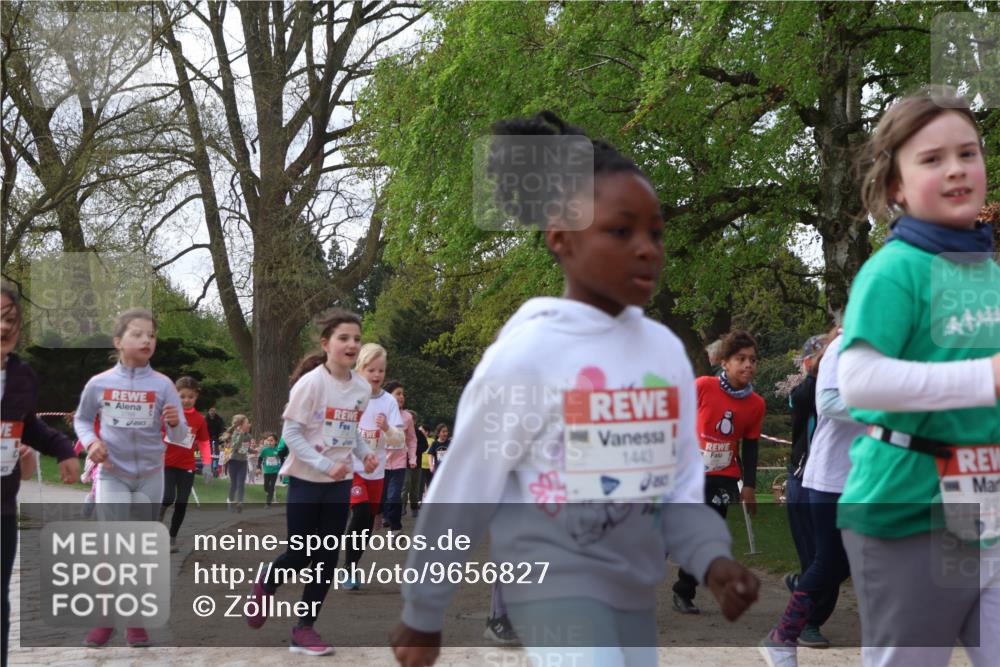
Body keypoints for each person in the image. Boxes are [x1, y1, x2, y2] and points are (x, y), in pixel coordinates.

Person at [391, 111, 759, 667]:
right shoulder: (527, 355)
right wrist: (422, 611)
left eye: (655, 234)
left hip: (633, 588)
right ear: (561, 237)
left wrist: (712, 559)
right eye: (620, 230)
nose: (646, 248)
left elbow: (677, 485)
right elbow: (462, 490)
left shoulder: (665, 356)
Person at [776, 88, 1000, 667]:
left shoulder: (987, 273)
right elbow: (859, 383)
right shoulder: (894, 269)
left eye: (968, 153)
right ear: (896, 186)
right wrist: (985, 378)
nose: (956, 168)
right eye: (931, 159)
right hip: (906, 507)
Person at [244, 308, 377, 656]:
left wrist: (364, 454)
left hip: (340, 482)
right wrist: (322, 462)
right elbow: (291, 434)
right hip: (306, 479)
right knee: (301, 551)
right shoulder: (312, 383)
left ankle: (304, 629)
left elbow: (351, 431)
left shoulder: (361, 388)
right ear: (326, 343)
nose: (351, 344)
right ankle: (267, 583)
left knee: (327, 557)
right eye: (343, 338)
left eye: (356, 339)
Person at [74, 307, 187, 648]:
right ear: (118, 341)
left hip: (151, 475)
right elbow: (81, 419)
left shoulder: (164, 385)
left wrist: (173, 422)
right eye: (137, 334)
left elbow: (182, 436)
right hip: (113, 475)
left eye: (151, 335)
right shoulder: (100, 383)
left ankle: (135, 620)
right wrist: (92, 442)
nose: (146, 340)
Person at [761, 327, 866, 662]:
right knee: (828, 561)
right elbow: (826, 401)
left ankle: (799, 597)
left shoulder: (884, 347)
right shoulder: (840, 349)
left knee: (845, 562)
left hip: (860, 478)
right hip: (824, 478)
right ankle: (789, 631)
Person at [1, 284, 80, 665]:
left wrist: (64, 450)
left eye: (11, 319)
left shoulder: (22, 376)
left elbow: (28, 425)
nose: (4, 327)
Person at [672, 330, 765, 615]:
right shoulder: (702, 386)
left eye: (752, 359)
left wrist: (748, 486)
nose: (748, 365)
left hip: (723, 476)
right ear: (725, 362)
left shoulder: (756, 404)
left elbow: (750, 447)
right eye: (741, 359)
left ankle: (683, 591)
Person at [781, 334, 834, 645]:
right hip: (803, 481)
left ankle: (803, 585)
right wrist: (819, 368)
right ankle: (809, 623)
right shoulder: (804, 392)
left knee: (835, 559)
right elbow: (805, 399)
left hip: (838, 482)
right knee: (816, 557)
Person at [343, 343, 404, 589]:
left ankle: (353, 564)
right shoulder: (350, 397)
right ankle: (348, 569)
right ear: (359, 370)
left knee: (367, 524)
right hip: (353, 469)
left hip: (377, 472)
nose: (377, 375)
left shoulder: (388, 402)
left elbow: (398, 440)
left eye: (381, 370)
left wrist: (387, 428)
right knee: (358, 514)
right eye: (371, 370)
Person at [159, 376, 212, 552]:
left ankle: (171, 538)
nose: (186, 400)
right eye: (182, 396)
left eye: (190, 397)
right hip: (166, 463)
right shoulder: (167, 413)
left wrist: (207, 465)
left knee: (182, 503)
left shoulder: (199, 419)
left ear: (196, 396)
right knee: (167, 498)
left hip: (186, 466)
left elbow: (204, 443)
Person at [382, 381, 417, 530]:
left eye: (403, 394)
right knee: (383, 496)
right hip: (381, 462)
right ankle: (385, 516)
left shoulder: (407, 417)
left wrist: (412, 457)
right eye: (398, 393)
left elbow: (411, 439)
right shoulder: (380, 415)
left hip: (399, 461)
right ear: (388, 396)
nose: (401, 396)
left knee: (394, 495)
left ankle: (395, 525)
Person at [224, 415, 251, 513]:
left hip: (243, 462)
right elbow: (235, 447)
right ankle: (230, 501)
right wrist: (240, 435)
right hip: (233, 462)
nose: (249, 424)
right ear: (240, 425)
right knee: (234, 484)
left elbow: (246, 448)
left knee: (241, 484)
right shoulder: (235, 434)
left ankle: (240, 502)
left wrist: (254, 451)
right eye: (247, 422)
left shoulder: (248, 435)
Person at [258, 432, 282, 506]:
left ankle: (268, 503)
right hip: (266, 471)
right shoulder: (265, 450)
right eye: (268, 440)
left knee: (271, 486)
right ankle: (271, 492)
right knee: (266, 487)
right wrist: (258, 467)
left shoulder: (278, 450)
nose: (270, 442)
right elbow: (260, 458)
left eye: (271, 440)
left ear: (276, 442)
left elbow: (282, 459)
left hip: (275, 472)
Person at [425, 423, 450, 490]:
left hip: (448, 469)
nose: (445, 433)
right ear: (438, 433)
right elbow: (430, 455)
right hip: (438, 469)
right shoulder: (435, 443)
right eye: (443, 431)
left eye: (446, 431)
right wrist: (431, 466)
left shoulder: (450, 443)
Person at [205, 406, 225, 476]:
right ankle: (208, 467)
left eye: (214, 411)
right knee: (209, 453)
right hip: (208, 439)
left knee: (216, 453)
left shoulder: (219, 419)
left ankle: (215, 468)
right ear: (208, 411)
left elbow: (222, 428)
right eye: (211, 411)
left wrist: (221, 435)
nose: (212, 412)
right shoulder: (205, 419)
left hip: (217, 438)